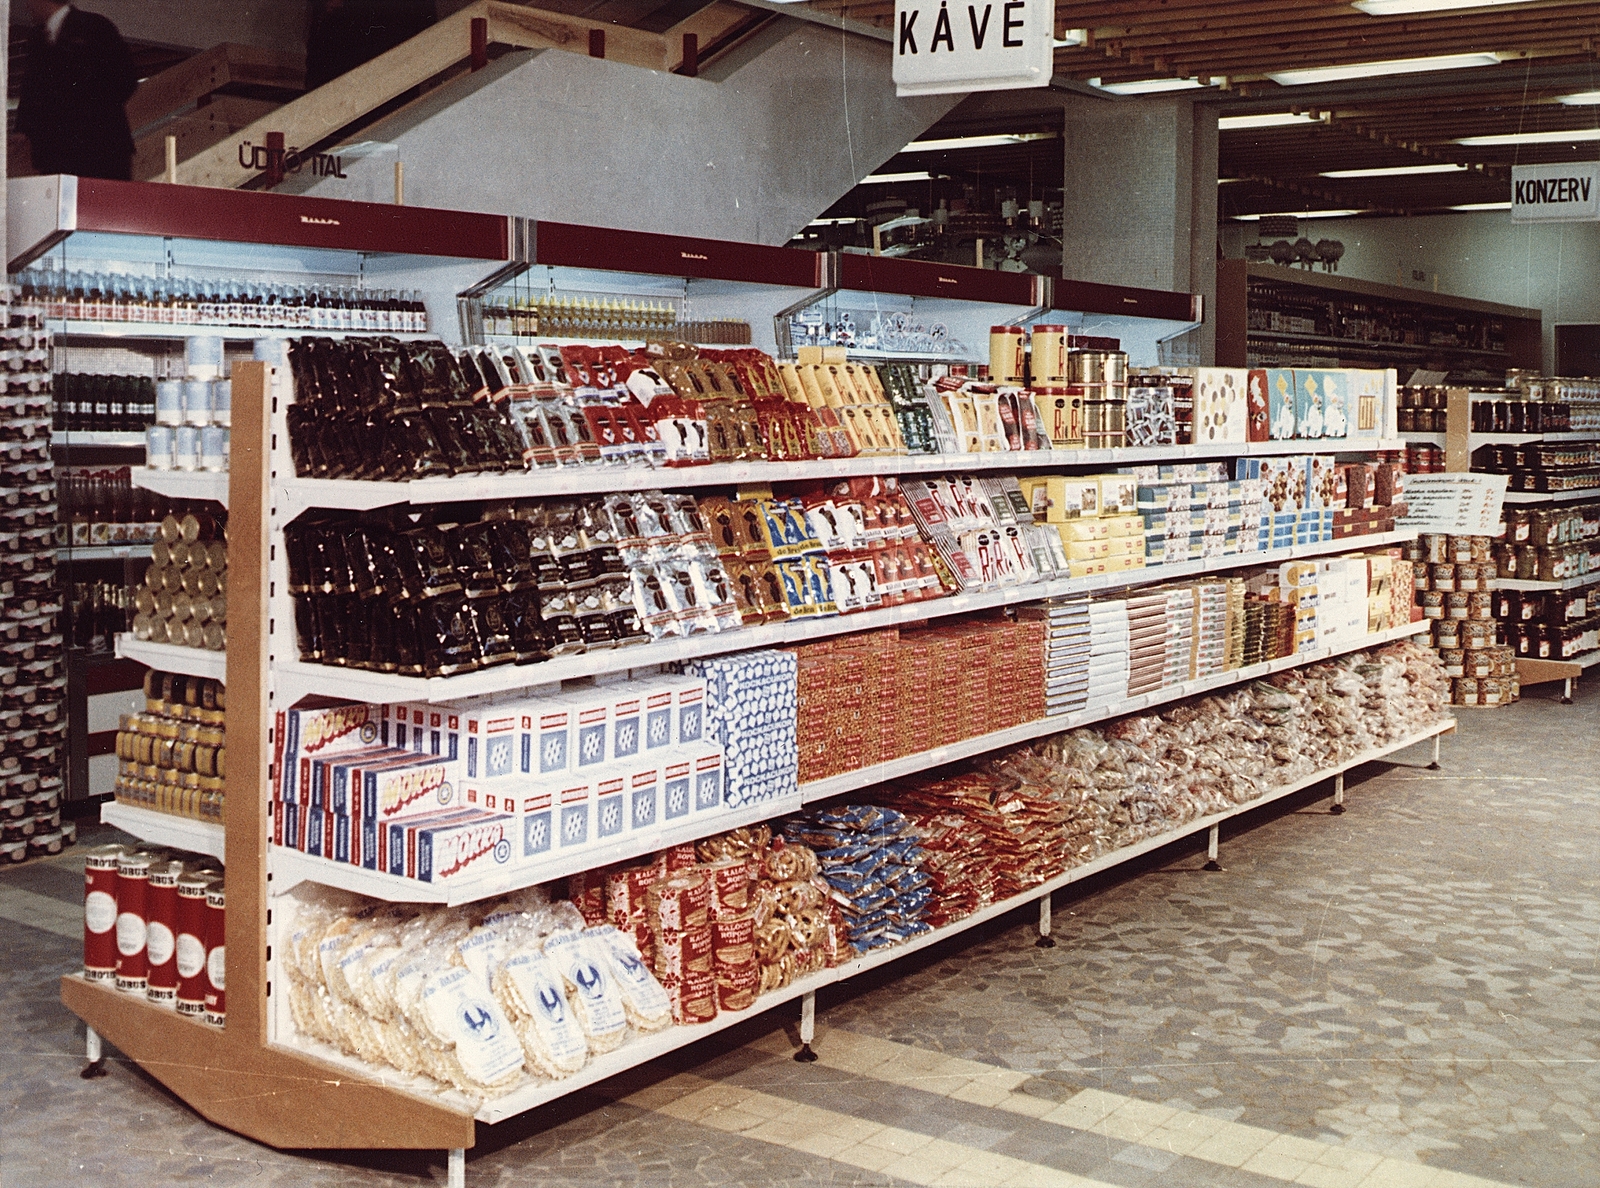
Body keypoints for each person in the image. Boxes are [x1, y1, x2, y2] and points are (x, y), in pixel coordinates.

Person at [15, 0, 139, 181]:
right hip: (56, 154)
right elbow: (30, 91)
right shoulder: (36, 38)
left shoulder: (95, 27)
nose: (27, 5)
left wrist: (85, 116)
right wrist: (22, 128)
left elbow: (126, 80)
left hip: (102, 150)